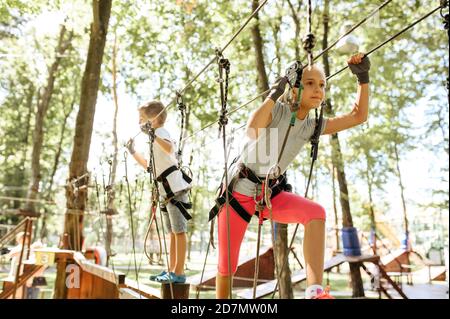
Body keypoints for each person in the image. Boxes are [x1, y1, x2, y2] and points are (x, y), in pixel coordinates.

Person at [211, 53, 370, 299]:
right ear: (294, 89)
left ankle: (315, 291)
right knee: (227, 265)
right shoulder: (279, 111)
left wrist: (363, 79)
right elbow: (252, 130)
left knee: (315, 213)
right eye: (309, 83)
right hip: (237, 194)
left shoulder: (312, 126)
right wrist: (275, 93)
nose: (318, 89)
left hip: (269, 195)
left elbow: (358, 117)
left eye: (322, 85)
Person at [126, 100, 192, 284]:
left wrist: (153, 134)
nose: (140, 123)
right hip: (165, 192)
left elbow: (170, 148)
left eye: (142, 119)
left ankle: (179, 272)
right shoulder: (154, 139)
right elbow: (149, 167)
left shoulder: (161, 133)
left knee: (179, 231)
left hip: (175, 189)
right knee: (172, 232)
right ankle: (171, 269)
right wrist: (133, 152)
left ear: (153, 120)